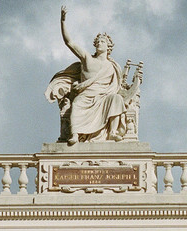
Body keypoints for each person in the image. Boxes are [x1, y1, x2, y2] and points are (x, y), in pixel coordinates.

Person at [47, 6, 127, 144]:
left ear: (109, 46)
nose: (99, 44)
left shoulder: (112, 66)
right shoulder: (87, 59)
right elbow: (69, 42)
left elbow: (117, 86)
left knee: (116, 99)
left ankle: (112, 132)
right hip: (86, 95)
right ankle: (75, 135)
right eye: (97, 42)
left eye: (102, 42)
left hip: (104, 96)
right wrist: (63, 21)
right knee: (77, 104)